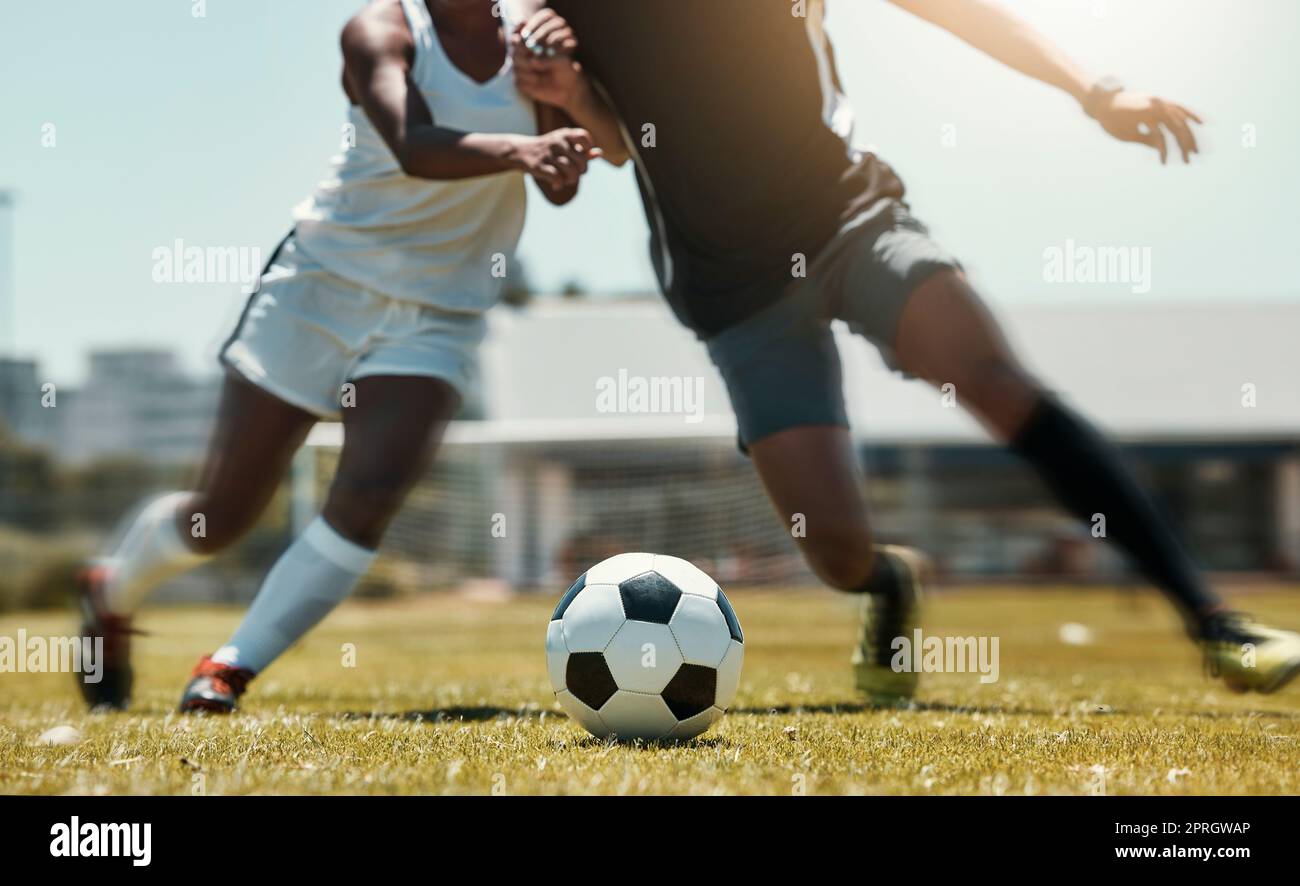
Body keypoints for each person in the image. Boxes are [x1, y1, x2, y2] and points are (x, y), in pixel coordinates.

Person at [513, 0, 1300, 702]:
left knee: (993, 380)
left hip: (849, 220)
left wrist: (1096, 90)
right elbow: (602, 153)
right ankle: (890, 582)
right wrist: (567, 93)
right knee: (835, 554)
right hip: (733, 291)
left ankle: (1215, 622)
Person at [77, 0, 627, 713]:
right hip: (319, 288)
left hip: (437, 311)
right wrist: (525, 150)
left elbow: (592, 163)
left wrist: (571, 94)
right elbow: (413, 143)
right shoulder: (380, 29)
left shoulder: (536, 29)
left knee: (367, 497)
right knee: (224, 515)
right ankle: (109, 590)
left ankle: (227, 669)